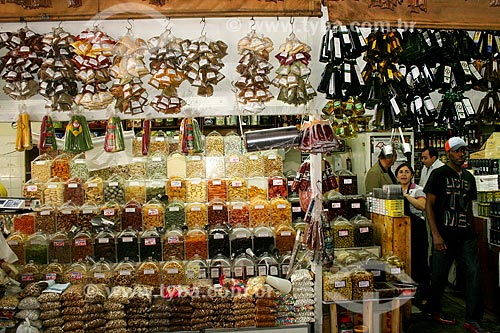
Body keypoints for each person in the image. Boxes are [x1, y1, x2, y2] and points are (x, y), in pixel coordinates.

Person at [424, 137, 489, 333]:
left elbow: (469, 206)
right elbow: (429, 205)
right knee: (439, 276)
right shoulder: (439, 174)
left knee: (474, 274)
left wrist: (474, 231)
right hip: (443, 235)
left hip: (465, 235)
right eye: (457, 151)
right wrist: (435, 235)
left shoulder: (469, 178)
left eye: (464, 151)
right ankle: (433, 310)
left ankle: (473, 319)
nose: (462, 154)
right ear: (448, 153)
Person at [395, 163, 429, 308]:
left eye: (407, 172)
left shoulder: (418, 190)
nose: (404, 174)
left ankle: (423, 297)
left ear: (412, 175)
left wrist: (407, 196)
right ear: (397, 175)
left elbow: (422, 206)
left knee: (419, 263)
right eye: (401, 172)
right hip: (400, 231)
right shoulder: (392, 190)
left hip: (417, 231)